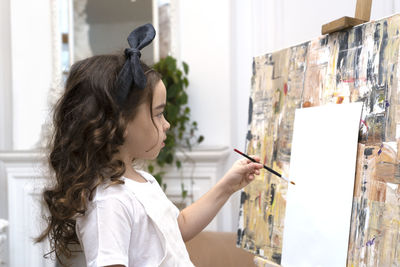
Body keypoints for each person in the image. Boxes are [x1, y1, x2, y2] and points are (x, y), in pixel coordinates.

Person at [36, 24, 262, 267]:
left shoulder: (142, 181)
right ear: (120, 122)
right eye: (158, 114)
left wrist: (227, 186)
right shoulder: (110, 203)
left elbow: (179, 228)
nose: (167, 124)